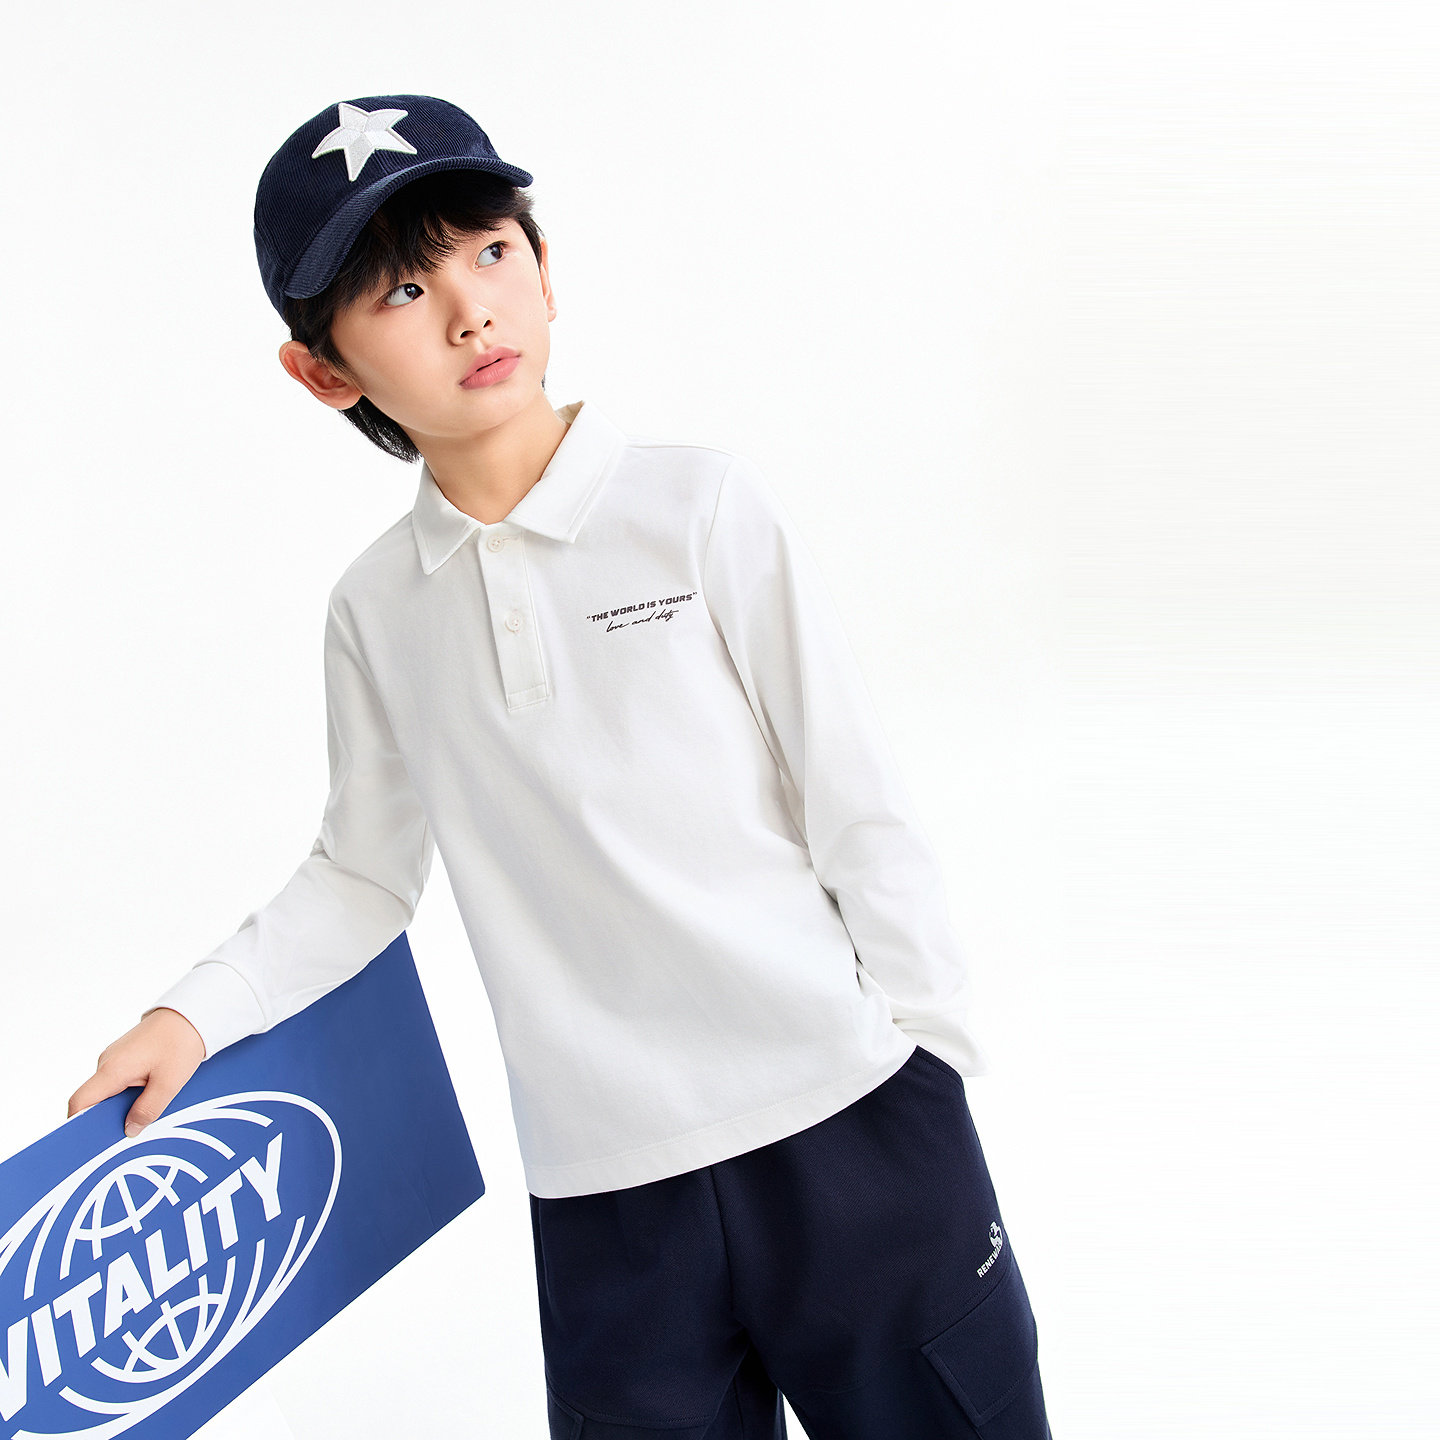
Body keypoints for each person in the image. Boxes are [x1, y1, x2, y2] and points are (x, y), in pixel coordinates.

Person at [66, 93, 1052, 1439]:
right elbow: (361, 875)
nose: (470, 312)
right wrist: (194, 1016)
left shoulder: (698, 509)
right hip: (607, 1202)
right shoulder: (377, 610)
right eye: (402, 289)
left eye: (490, 252)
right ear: (323, 371)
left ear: (543, 264)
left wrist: (931, 1068)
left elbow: (854, 801)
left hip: (852, 1127)